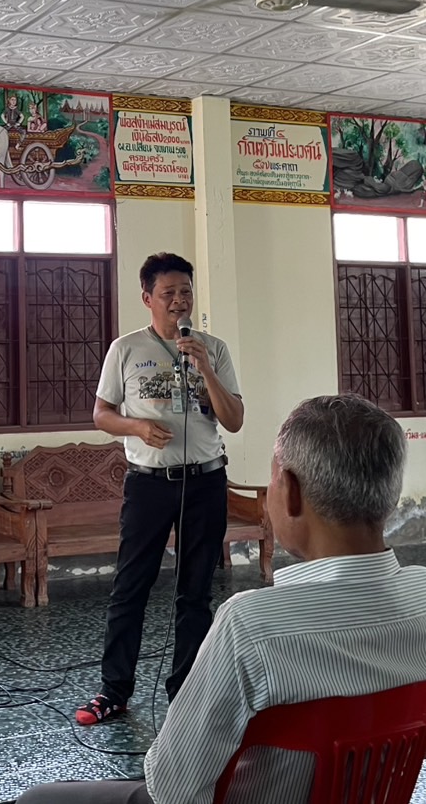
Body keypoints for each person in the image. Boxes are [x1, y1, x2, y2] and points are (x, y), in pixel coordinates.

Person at [21, 394, 426, 804]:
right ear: (390, 495)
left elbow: (173, 789)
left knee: (39, 799)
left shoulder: (250, 628)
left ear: (292, 492)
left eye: (273, 478)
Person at [75, 252, 244, 726]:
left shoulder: (213, 348)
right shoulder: (125, 349)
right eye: (168, 293)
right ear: (147, 298)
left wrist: (206, 367)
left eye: (186, 292)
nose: (179, 301)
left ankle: (187, 691)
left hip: (206, 481)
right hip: (149, 485)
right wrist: (136, 427)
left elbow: (233, 419)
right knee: (131, 586)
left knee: (195, 593)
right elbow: (101, 413)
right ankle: (114, 691)